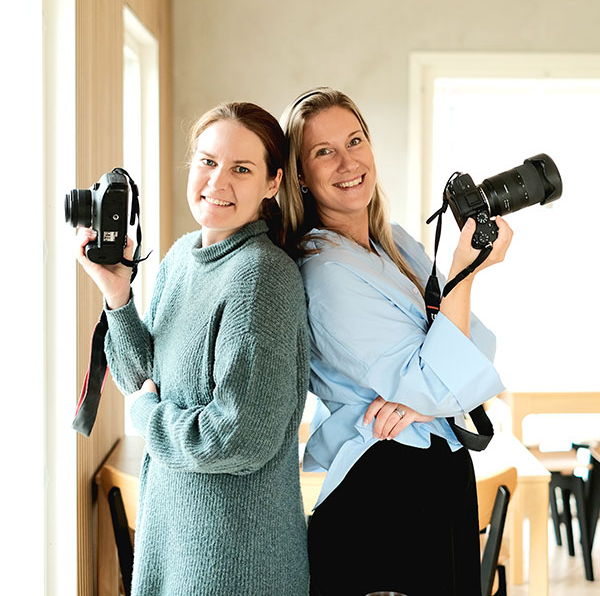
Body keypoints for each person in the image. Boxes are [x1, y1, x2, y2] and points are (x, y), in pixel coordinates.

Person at [279, 88, 513, 596]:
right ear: (300, 175)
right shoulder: (324, 272)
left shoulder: (398, 242)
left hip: (436, 474)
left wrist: (426, 396)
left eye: (355, 140)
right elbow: (443, 380)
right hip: (384, 489)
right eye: (324, 152)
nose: (348, 162)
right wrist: (462, 274)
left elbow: (479, 351)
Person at [76, 102, 310, 595]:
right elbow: (138, 376)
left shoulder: (262, 278)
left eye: (241, 169)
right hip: (171, 541)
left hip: (235, 560)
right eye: (207, 161)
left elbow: (235, 438)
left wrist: (145, 415)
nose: (217, 181)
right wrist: (118, 293)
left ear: (273, 183)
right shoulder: (183, 257)